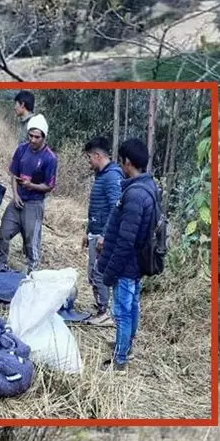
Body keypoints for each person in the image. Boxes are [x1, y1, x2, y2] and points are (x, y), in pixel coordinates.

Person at [97, 138, 159, 371]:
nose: (120, 165)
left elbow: (125, 240)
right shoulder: (149, 187)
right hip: (137, 264)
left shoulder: (134, 195)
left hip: (127, 265)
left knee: (122, 312)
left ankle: (120, 359)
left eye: (121, 161)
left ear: (128, 162)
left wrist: (110, 271)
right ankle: (126, 346)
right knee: (132, 306)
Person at [0, 114, 57, 274]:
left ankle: (32, 273)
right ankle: (0, 265)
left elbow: (49, 186)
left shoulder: (49, 158)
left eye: (37, 137)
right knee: (3, 234)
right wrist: (15, 195)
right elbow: (14, 175)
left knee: (31, 242)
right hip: (18, 200)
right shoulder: (21, 149)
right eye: (31, 135)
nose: (33, 140)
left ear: (43, 137)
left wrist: (32, 185)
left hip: (34, 204)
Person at [82, 136, 124, 326]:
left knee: (99, 273)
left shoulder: (112, 177)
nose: (88, 161)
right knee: (93, 273)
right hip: (95, 231)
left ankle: (105, 312)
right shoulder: (102, 175)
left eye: (89, 157)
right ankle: (100, 307)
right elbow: (97, 208)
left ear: (98, 155)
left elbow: (115, 208)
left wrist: (104, 235)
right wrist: (88, 231)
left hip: (103, 236)